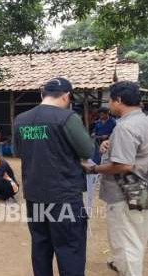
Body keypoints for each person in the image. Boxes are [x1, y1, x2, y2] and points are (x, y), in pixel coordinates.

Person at [13, 77, 94, 276]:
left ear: (42, 95)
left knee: (41, 247)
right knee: (70, 249)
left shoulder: (21, 120)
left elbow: (17, 152)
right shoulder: (67, 118)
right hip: (64, 197)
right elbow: (87, 150)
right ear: (66, 97)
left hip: (35, 195)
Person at [83, 81, 148, 276]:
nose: (109, 105)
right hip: (141, 188)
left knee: (125, 240)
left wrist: (94, 169)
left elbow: (123, 165)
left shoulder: (125, 127)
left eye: (110, 100)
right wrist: (109, 145)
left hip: (126, 192)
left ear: (118, 100)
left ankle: (128, 269)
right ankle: (122, 264)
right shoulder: (142, 121)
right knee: (136, 233)